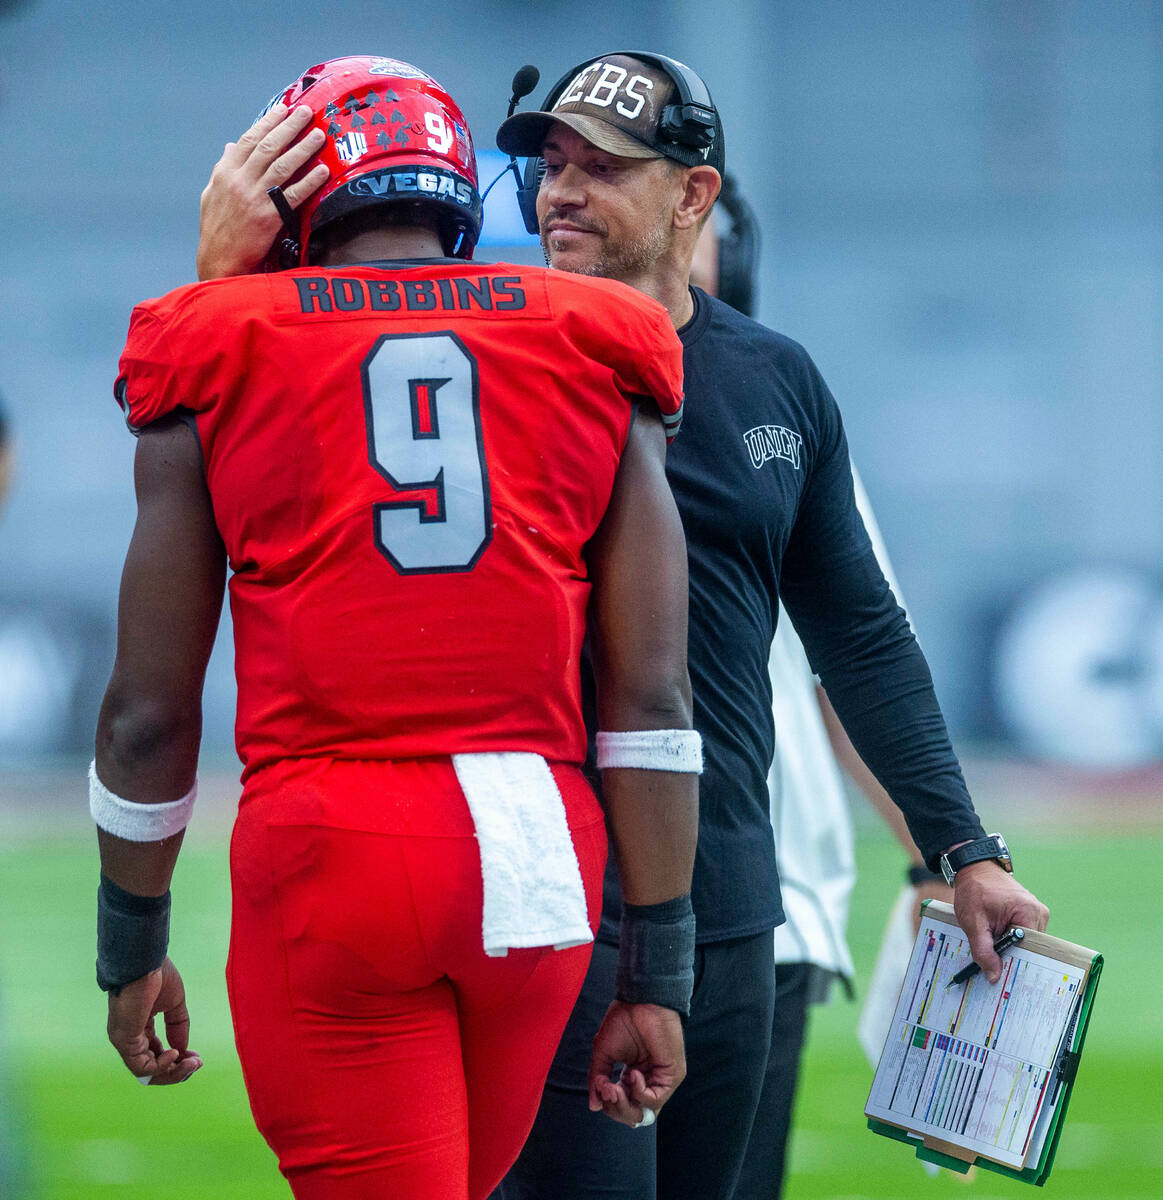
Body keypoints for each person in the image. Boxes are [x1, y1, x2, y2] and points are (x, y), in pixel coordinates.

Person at [194, 51, 1049, 1200]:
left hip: (737, 904)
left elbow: (858, 632)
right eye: (550, 165)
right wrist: (217, 274)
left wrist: (962, 848)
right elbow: (258, 426)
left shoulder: (776, 381)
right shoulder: (483, 352)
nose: (560, 193)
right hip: (546, 899)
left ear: (694, 197)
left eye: (603, 169)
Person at [93, 56, 702, 1200]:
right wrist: (659, 963)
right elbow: (652, 697)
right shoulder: (594, 332)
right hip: (536, 845)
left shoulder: (214, 336)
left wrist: (128, 936)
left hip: (339, 840)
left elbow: (145, 714)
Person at [692, 181, 954, 1198]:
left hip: (761, 897)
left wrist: (943, 851)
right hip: (586, 902)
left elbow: (851, 654)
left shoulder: (772, 407)